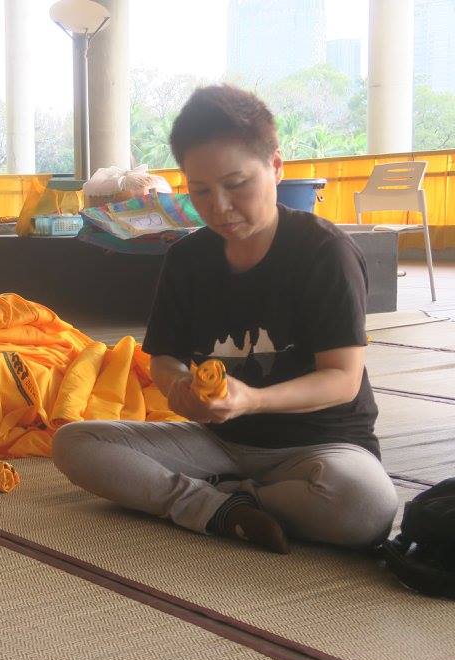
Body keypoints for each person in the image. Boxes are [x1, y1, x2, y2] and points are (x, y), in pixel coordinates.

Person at [53, 85, 397, 553]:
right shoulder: (186, 259)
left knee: (366, 505)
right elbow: (165, 359)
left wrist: (252, 399)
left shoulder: (324, 252)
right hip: (218, 442)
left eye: (236, 185)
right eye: (200, 191)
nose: (219, 206)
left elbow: (342, 379)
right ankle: (217, 510)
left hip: (319, 447)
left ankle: (223, 498)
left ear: (276, 166)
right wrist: (179, 388)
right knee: (75, 443)